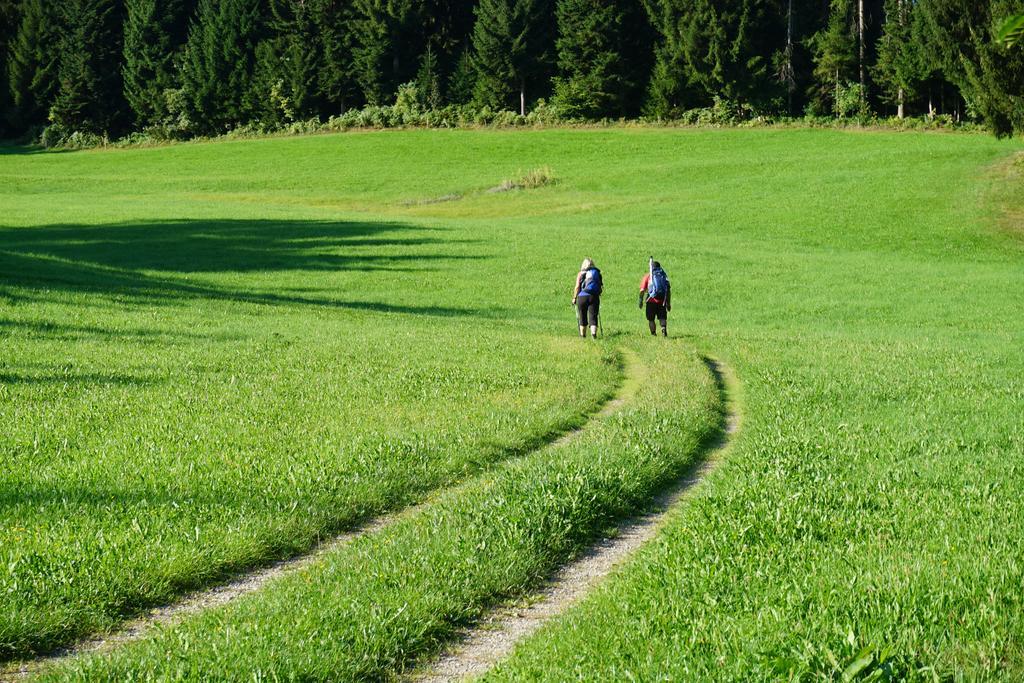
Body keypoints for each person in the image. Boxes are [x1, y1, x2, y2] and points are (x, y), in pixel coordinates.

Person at [639, 258, 671, 337]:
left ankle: (653, 334)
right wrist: (668, 303)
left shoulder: (648, 276)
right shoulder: (664, 277)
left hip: (651, 301)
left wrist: (640, 301)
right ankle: (663, 329)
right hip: (662, 300)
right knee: (662, 317)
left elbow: (642, 290)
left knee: (651, 319)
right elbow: (668, 291)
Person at [572, 258, 603, 338]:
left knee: (582, 317)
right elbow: (600, 286)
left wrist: (574, 298)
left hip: (582, 296)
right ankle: (593, 335)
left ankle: (583, 337)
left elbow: (577, 287)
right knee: (593, 317)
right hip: (594, 296)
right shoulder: (597, 273)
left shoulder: (581, 273)